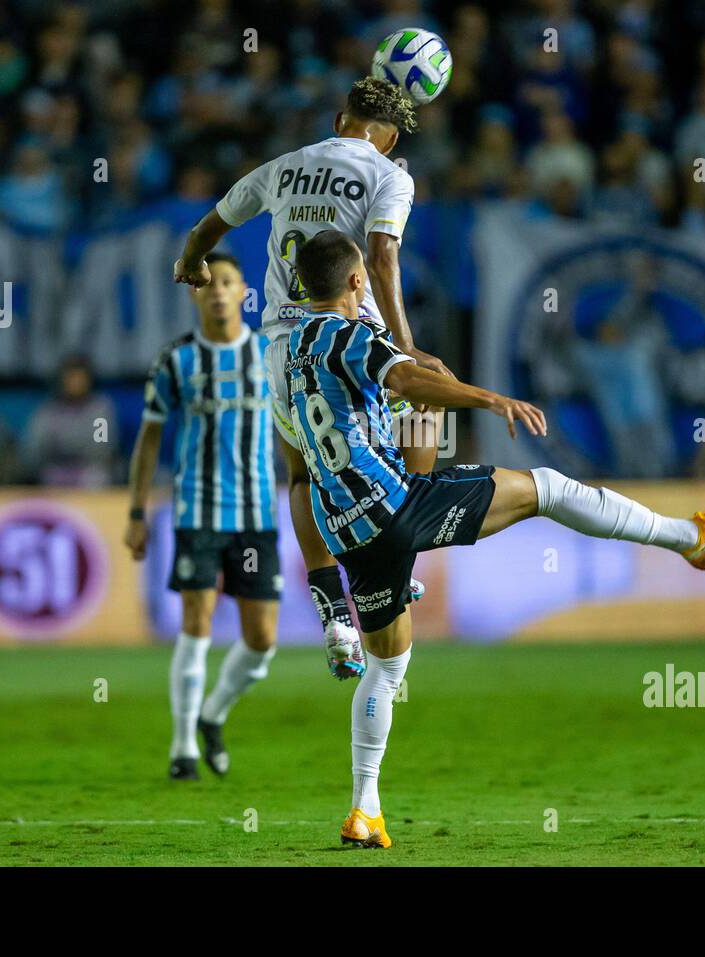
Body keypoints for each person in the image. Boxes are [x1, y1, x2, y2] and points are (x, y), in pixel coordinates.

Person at [285, 230, 705, 848]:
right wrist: (488, 398)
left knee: (388, 665)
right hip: (395, 505)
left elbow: (327, 442)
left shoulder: (289, 351)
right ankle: (689, 536)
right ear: (354, 282)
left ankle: (364, 810)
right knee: (549, 489)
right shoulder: (351, 334)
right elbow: (406, 382)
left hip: (348, 531)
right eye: (365, 279)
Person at [173, 77, 449, 682]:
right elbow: (381, 257)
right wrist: (405, 348)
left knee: (302, 473)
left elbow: (215, 221)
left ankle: (333, 614)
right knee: (430, 409)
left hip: (283, 345)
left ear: (339, 118)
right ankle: (403, 552)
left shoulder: (285, 166)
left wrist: (192, 260)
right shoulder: (389, 175)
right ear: (391, 136)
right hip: (352, 341)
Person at [124, 253, 280, 781]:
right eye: (207, 284)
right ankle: (183, 745)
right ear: (194, 293)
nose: (216, 291)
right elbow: (148, 440)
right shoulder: (175, 361)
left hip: (257, 514)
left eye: (228, 282)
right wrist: (137, 511)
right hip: (196, 511)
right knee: (197, 625)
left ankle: (213, 715)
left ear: (243, 293)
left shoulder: (271, 354)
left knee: (262, 640)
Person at [22, 355, 120, 488]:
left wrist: (68, 448)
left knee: (98, 477)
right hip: (56, 470)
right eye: (71, 378)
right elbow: (33, 451)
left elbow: (102, 449)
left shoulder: (100, 409)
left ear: (89, 380)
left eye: (80, 378)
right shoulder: (49, 411)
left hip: (89, 470)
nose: (75, 383)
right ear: (62, 380)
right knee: (48, 476)